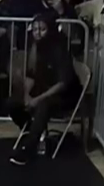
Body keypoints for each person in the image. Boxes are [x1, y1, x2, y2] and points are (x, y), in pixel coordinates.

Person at [10, 10, 78, 165]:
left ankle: (29, 148)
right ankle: (31, 129)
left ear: (50, 29)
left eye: (42, 29)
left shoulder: (60, 49)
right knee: (11, 103)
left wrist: (37, 99)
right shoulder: (35, 48)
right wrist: (27, 95)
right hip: (42, 90)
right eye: (35, 29)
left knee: (43, 106)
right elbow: (31, 75)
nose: (38, 33)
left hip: (64, 95)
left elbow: (63, 83)